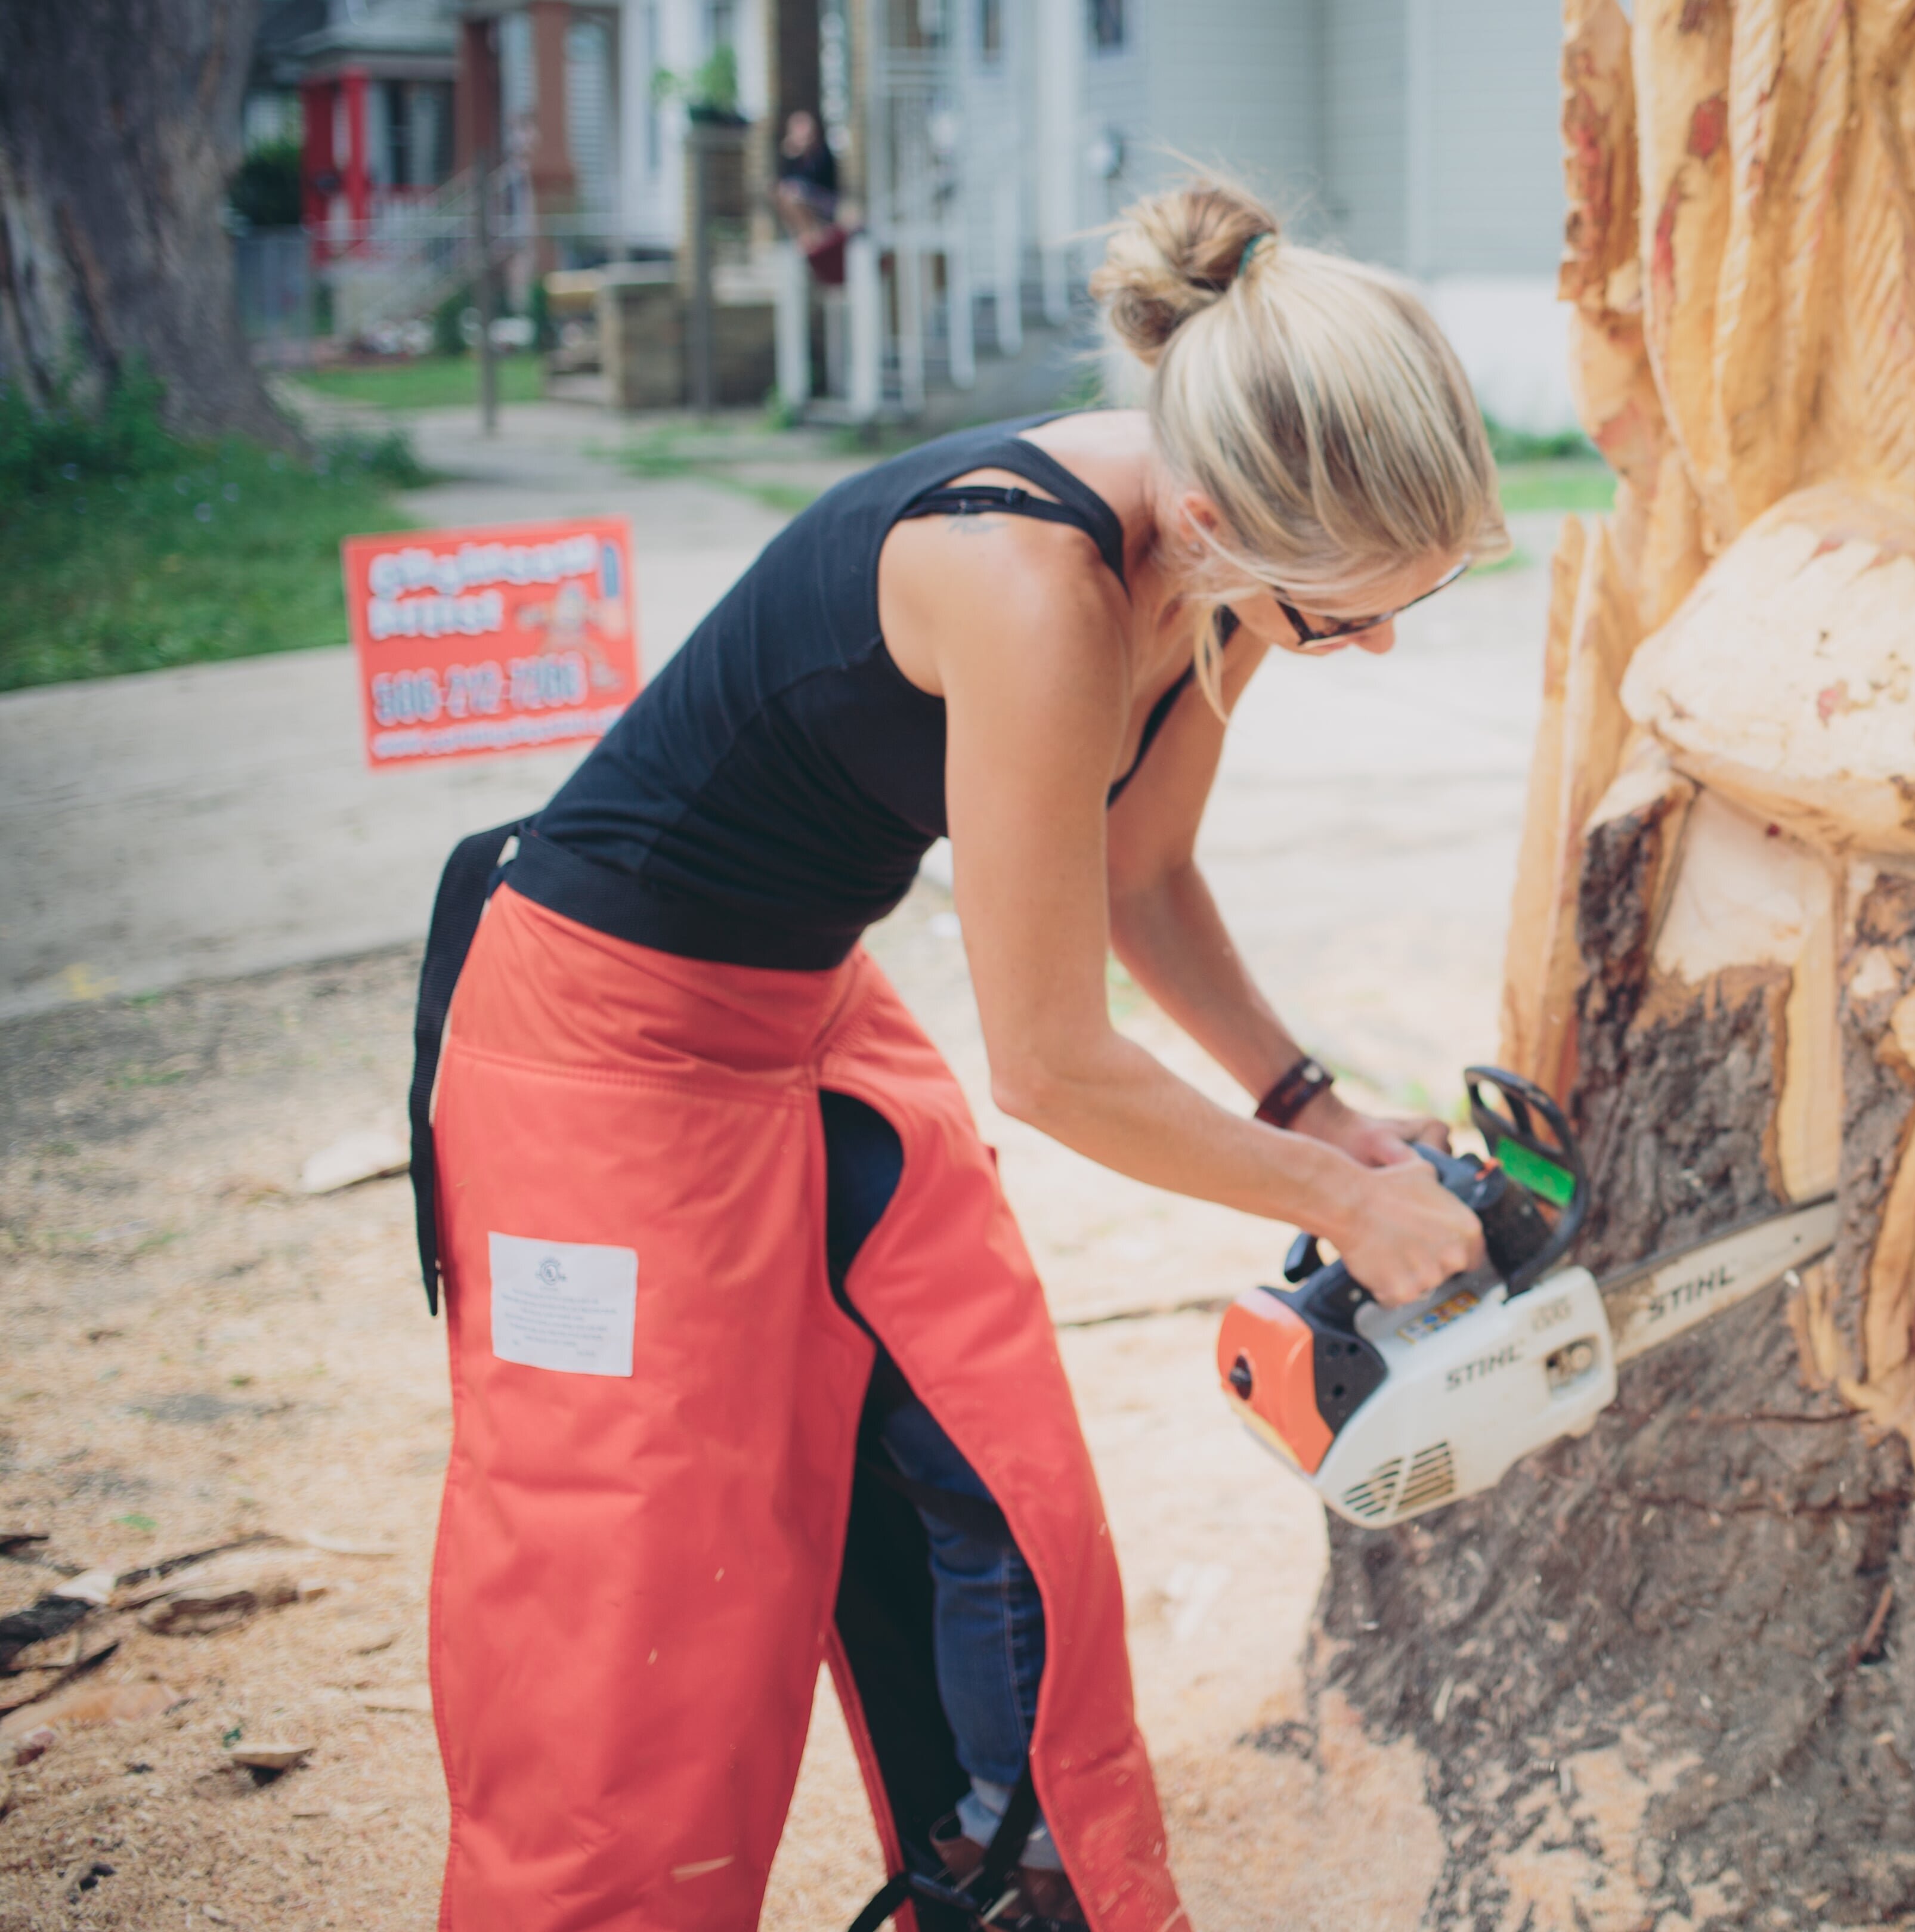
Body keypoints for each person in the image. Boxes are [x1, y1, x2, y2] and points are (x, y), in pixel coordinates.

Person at [404, 178, 1499, 1931]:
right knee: (637, 1610)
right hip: (591, 1048)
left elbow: (1137, 868)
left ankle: (1005, 1889)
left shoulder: (1223, 569)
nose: (1364, 647)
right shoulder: (1026, 583)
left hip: (803, 1011)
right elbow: (1054, 1065)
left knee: (1004, 1495)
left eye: (1401, 611)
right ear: (1218, 518)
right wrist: (1339, 1212)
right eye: (1341, 614)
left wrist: (1316, 1112)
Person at [772, 107, 841, 243]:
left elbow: (817, 181)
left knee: (794, 195)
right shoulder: (790, 155)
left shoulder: (822, 154)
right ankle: (802, 233)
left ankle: (810, 235)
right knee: (781, 192)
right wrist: (792, 156)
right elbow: (784, 181)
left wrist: (807, 154)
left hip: (825, 199)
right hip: (803, 197)